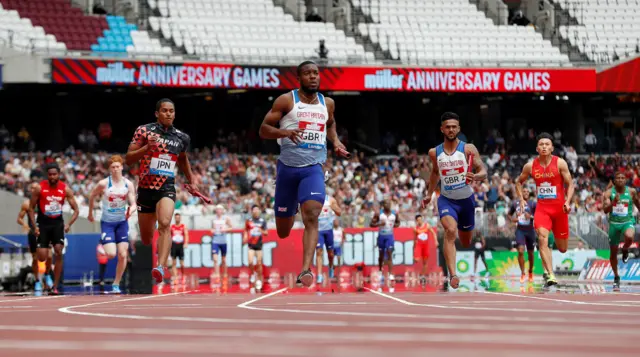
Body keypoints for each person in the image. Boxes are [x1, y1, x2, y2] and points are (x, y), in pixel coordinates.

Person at [258, 60, 348, 287]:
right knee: (283, 231)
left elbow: (331, 124)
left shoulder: (327, 103)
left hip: (313, 169)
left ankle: (305, 270)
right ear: (299, 78)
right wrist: (285, 132)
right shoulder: (287, 101)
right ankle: (293, 203)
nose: (313, 77)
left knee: (311, 215)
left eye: (316, 73)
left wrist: (336, 142)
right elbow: (263, 130)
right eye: (308, 74)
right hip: (287, 171)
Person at [126, 98, 209, 284]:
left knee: (165, 223)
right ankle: (154, 228)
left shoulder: (181, 137)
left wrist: (192, 182)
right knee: (147, 239)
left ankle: (161, 266)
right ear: (157, 113)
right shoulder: (144, 131)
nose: (168, 114)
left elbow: (182, 159)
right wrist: (147, 148)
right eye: (164, 110)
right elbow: (129, 159)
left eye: (171, 111)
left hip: (166, 187)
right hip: (146, 189)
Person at [422, 112, 487, 289]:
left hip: (466, 201)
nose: (451, 129)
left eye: (454, 127)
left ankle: (464, 233)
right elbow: (435, 173)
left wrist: (476, 175)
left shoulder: (468, 149)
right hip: (446, 200)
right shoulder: (434, 152)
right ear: (442, 129)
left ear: (458, 128)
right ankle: (453, 275)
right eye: (447, 127)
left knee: (466, 241)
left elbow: (483, 171)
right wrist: (429, 195)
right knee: (450, 231)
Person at [515, 132, 574, 287]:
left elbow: (570, 184)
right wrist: (521, 199)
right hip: (543, 209)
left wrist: (568, 202)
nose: (544, 147)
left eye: (547, 144)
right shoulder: (530, 166)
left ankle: (550, 262)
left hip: (560, 209)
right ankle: (550, 274)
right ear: (537, 148)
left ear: (552, 148)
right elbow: (518, 182)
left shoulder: (560, 163)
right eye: (541, 144)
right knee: (542, 238)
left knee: (562, 249)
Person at [87, 155, 137, 294]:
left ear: (121, 167)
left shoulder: (128, 184)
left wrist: (130, 211)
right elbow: (92, 195)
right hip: (108, 223)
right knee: (111, 254)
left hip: (122, 222)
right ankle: (108, 242)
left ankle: (116, 283)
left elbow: (133, 203)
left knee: (123, 255)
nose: (115, 169)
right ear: (110, 169)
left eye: (117, 166)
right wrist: (90, 213)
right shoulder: (104, 184)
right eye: (113, 167)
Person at [28, 163, 80, 294]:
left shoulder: (65, 189)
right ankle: (44, 275)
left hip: (57, 223)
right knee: (41, 257)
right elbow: (30, 209)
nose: (52, 176)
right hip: (43, 223)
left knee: (58, 251)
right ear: (47, 175)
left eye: (54, 174)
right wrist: (34, 227)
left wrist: (69, 224)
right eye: (50, 174)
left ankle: (55, 286)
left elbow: (76, 210)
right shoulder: (40, 188)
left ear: (59, 175)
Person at [602, 171, 640, 288]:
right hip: (614, 224)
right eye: (617, 178)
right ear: (614, 180)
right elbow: (605, 210)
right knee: (613, 254)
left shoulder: (632, 192)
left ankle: (625, 249)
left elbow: (638, 203)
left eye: (622, 178)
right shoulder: (608, 193)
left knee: (629, 236)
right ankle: (616, 276)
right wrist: (614, 202)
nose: (620, 179)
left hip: (627, 221)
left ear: (625, 180)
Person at [17, 182, 53, 291]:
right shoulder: (27, 204)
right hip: (33, 233)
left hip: (45, 232)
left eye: (36, 188)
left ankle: (47, 274)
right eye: (32, 188)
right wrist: (25, 225)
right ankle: (37, 281)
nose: (34, 189)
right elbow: (19, 218)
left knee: (50, 256)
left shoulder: (45, 202)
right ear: (30, 190)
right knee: (35, 258)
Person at [509, 186, 537, 283]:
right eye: (523, 191)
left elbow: (538, 216)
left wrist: (531, 217)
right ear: (520, 193)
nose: (525, 193)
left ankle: (530, 272)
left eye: (527, 191)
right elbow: (509, 214)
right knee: (520, 251)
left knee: (530, 253)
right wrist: (513, 219)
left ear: (529, 194)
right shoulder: (515, 203)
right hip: (520, 230)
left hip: (530, 231)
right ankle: (522, 273)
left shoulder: (533, 203)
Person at [370, 200, 400, 286]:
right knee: (381, 255)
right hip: (381, 236)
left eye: (389, 203)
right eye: (386, 203)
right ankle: (380, 270)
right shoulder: (379, 214)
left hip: (390, 236)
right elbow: (371, 224)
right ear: (383, 205)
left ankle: (390, 274)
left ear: (390, 205)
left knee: (390, 253)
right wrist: (379, 224)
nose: (387, 205)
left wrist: (395, 225)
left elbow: (398, 222)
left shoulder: (394, 214)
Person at [316, 193, 342, 283]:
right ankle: (319, 275)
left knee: (330, 254)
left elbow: (339, 212)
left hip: (328, 230)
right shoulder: (313, 200)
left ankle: (331, 267)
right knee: (319, 251)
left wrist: (333, 207)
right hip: (318, 230)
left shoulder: (330, 200)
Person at [244, 205, 268, 289]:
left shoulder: (262, 221)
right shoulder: (249, 221)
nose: (256, 211)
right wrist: (245, 237)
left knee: (259, 263)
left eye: (257, 210)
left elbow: (266, 233)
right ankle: (253, 274)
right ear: (252, 211)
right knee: (250, 262)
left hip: (259, 245)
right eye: (254, 210)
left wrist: (260, 229)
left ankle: (260, 278)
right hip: (251, 245)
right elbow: (246, 230)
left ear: (259, 211)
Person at [211, 204, 233, 281]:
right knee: (215, 259)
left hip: (223, 241)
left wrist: (225, 229)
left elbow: (231, 228)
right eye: (217, 209)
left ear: (222, 211)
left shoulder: (226, 218)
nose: (219, 211)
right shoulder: (213, 219)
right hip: (215, 240)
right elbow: (212, 229)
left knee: (223, 259)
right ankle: (217, 275)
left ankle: (224, 274)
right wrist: (212, 230)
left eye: (220, 209)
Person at [413, 214, 437, 283]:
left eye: (420, 219)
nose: (420, 221)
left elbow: (433, 233)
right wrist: (414, 247)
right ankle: (420, 273)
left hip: (425, 246)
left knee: (425, 262)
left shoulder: (427, 226)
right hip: (419, 245)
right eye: (418, 220)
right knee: (416, 259)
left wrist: (436, 241)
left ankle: (422, 275)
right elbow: (414, 239)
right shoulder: (415, 228)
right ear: (416, 221)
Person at [170, 213, 189, 285]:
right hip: (174, 245)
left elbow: (186, 234)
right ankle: (175, 277)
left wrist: (186, 243)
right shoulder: (172, 227)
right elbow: (169, 236)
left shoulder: (183, 226)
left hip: (180, 246)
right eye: (176, 218)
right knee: (173, 263)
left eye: (178, 217)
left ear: (180, 218)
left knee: (182, 263)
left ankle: (183, 275)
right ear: (175, 218)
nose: (177, 219)